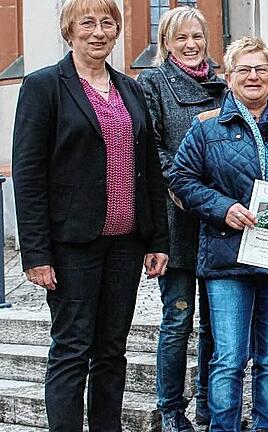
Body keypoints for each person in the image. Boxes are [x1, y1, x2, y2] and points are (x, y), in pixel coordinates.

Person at [11, 0, 169, 430]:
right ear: (69, 30)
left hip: (125, 243)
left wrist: (157, 239)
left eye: (107, 23)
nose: (98, 32)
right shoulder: (45, 86)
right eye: (88, 23)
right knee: (71, 348)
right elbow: (28, 174)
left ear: (117, 31)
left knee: (112, 349)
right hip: (71, 244)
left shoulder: (129, 88)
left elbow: (149, 167)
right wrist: (36, 253)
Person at [168, 36, 268, 431]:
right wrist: (223, 209)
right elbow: (180, 179)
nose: (253, 76)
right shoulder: (204, 128)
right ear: (229, 76)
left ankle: (266, 426)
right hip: (227, 258)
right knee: (229, 359)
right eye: (244, 69)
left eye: (262, 69)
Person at [137, 7, 227, 430]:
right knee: (177, 318)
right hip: (176, 217)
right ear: (166, 43)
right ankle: (171, 409)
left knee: (215, 323)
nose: (191, 45)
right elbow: (150, 149)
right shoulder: (152, 83)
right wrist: (189, 187)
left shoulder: (223, 85)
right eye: (181, 38)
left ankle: (209, 406)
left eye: (197, 37)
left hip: (219, 220)